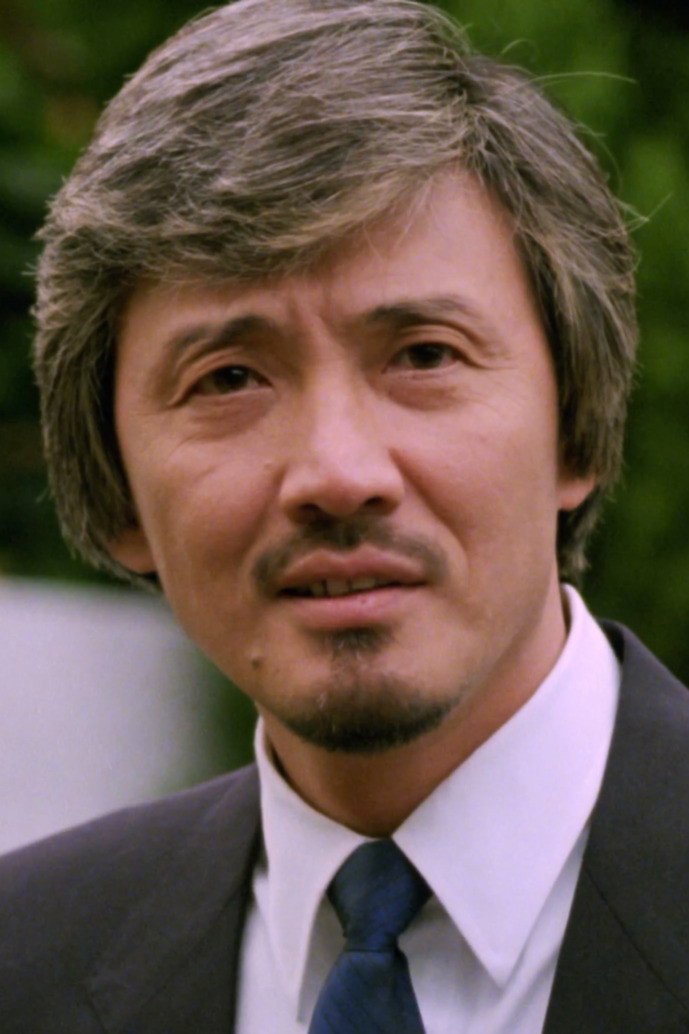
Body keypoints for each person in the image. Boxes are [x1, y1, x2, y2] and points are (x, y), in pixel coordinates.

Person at [3, 1, 689, 1031]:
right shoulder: (23, 964)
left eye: (422, 355)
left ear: (575, 429)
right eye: (229, 377)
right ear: (116, 491)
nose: (336, 472)